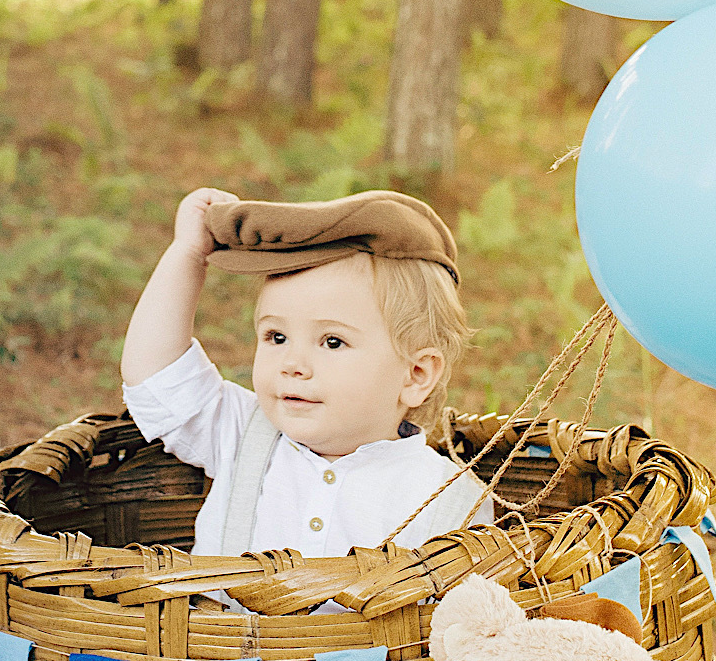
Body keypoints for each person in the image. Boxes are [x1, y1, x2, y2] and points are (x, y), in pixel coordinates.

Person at [120, 188, 491, 571]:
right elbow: (154, 372)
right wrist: (188, 254)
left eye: (332, 342)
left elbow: (456, 621)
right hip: (214, 633)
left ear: (416, 375)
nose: (293, 363)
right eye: (276, 337)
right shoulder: (241, 432)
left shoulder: (450, 500)